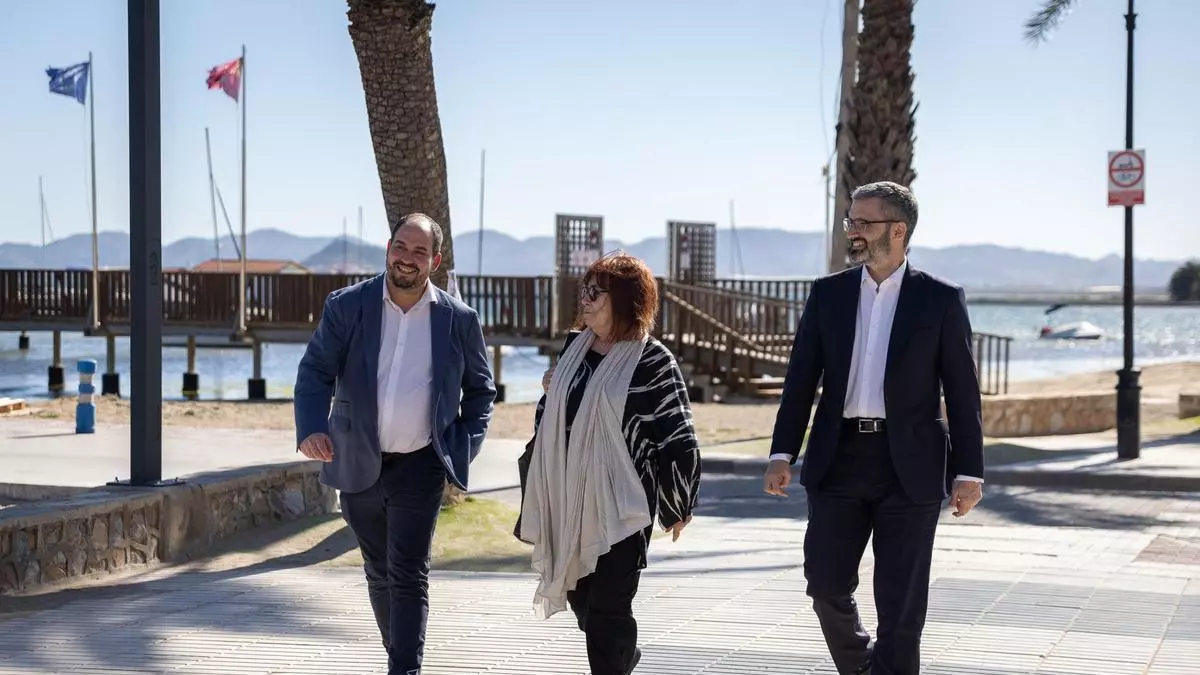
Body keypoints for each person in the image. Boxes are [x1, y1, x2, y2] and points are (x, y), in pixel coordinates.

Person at [763, 181, 984, 675]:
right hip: (838, 458)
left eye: (864, 222)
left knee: (901, 604)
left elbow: (963, 392)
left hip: (911, 466)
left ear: (898, 230)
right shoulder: (829, 294)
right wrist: (782, 453)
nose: (853, 231)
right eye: (851, 222)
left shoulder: (940, 299)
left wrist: (969, 472)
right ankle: (863, 667)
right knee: (825, 584)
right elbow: (801, 379)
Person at [294, 213, 496, 675]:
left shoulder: (459, 319)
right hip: (356, 458)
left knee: (408, 573)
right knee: (379, 571)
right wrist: (311, 427)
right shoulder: (347, 305)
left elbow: (480, 392)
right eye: (401, 247)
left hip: (421, 465)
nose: (407, 258)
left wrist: (462, 447)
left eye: (419, 251)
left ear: (435, 261)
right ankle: (400, 655)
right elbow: (316, 371)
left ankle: (404, 669)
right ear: (388, 248)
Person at [516, 253, 702, 675]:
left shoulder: (652, 360)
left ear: (624, 299)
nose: (584, 299)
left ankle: (614, 660)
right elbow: (549, 417)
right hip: (570, 499)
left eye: (595, 292)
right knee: (584, 601)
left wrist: (678, 504)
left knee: (608, 607)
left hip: (624, 503)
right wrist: (553, 391)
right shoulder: (575, 350)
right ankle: (622, 656)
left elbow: (678, 435)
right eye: (584, 289)